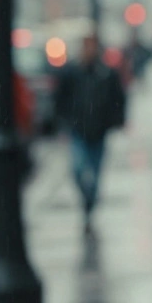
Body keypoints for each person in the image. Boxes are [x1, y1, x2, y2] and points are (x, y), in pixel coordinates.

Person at [54, 34, 126, 231]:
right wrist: (63, 123)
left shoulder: (106, 73)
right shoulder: (72, 72)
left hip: (99, 131)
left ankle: (90, 205)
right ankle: (87, 201)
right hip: (78, 130)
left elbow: (118, 99)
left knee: (94, 173)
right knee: (78, 169)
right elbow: (60, 99)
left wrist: (116, 121)